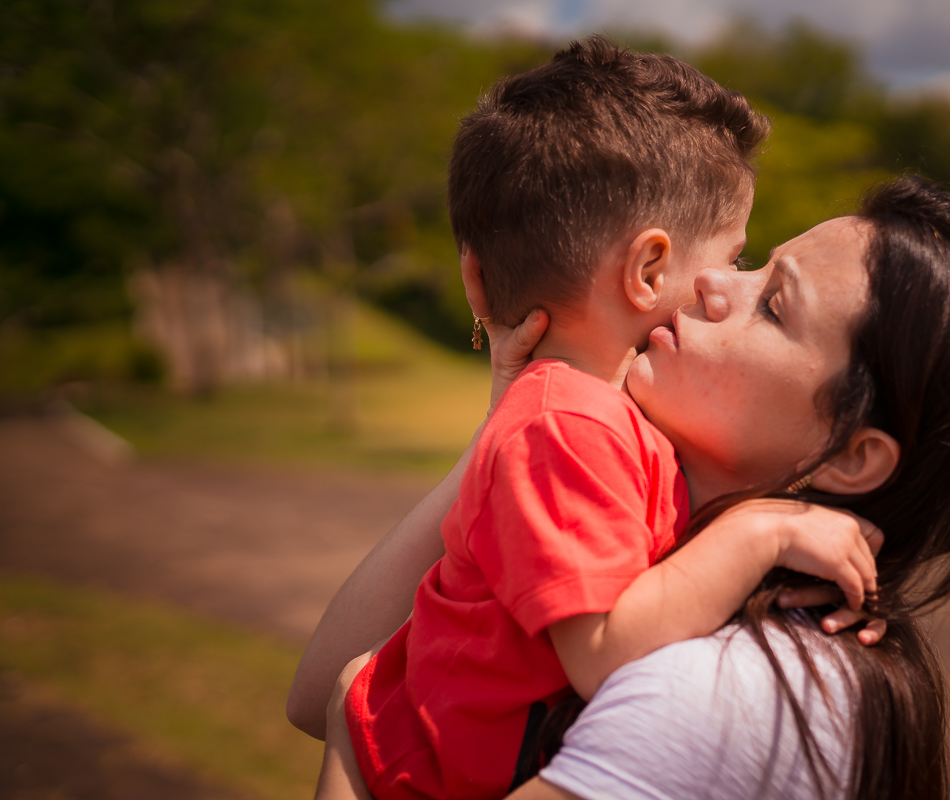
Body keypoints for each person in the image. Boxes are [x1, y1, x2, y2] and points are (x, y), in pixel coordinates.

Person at [317, 175, 950, 800]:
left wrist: (355, 727)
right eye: (757, 262)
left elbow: (350, 706)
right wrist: (511, 430)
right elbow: (323, 693)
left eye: (772, 305)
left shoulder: (730, 687)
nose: (710, 283)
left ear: (851, 457)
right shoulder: (661, 553)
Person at [300, 37, 888, 800]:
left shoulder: (591, 427)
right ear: (648, 270)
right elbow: (602, 653)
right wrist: (759, 531)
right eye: (736, 258)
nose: (722, 289)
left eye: (767, 296)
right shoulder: (569, 428)